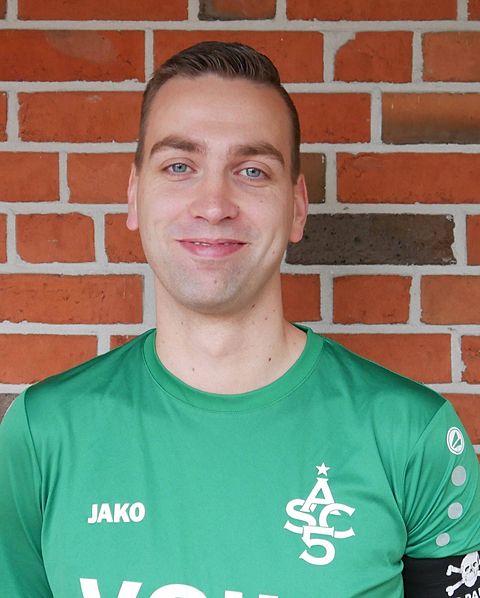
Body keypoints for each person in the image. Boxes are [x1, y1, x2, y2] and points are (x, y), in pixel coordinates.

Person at [0, 41, 479, 598]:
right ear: (134, 195)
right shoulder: (42, 433)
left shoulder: (413, 436)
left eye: (252, 170)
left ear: (297, 207)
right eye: (179, 166)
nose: (213, 204)